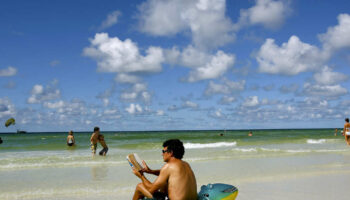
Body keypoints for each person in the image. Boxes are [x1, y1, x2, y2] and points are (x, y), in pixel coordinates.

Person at [132, 139, 197, 200]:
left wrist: (141, 176)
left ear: (170, 152)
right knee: (165, 184)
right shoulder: (186, 164)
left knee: (139, 186)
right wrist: (150, 171)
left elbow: (151, 189)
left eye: (163, 151)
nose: (162, 154)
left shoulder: (168, 166)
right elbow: (167, 173)